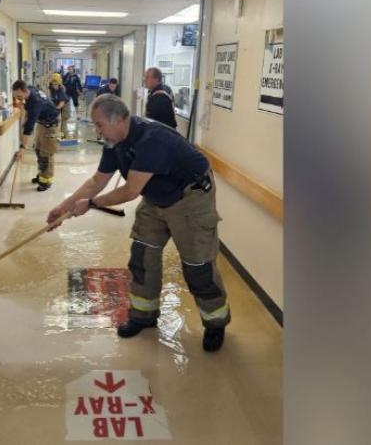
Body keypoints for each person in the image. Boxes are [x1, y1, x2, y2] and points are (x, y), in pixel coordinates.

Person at [46, 95, 230, 352]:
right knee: (142, 256)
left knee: (197, 266)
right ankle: (143, 315)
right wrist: (62, 208)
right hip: (156, 196)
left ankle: (215, 322)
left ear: (120, 120)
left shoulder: (152, 140)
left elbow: (130, 191)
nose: (97, 131)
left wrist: (92, 204)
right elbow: (96, 181)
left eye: (100, 125)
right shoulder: (114, 142)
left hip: (190, 198)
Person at [12, 79, 61, 191]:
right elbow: (27, 111)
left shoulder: (36, 103)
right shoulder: (30, 89)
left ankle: (46, 181)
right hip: (43, 122)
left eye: (20, 96)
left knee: (46, 153)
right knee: (38, 149)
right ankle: (42, 174)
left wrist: (23, 148)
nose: (19, 99)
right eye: (16, 96)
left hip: (52, 124)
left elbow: (29, 129)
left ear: (25, 91)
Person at [48, 73, 70, 138]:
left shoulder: (61, 90)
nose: (54, 86)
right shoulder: (51, 87)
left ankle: (63, 135)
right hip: (57, 102)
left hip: (65, 104)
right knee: (54, 118)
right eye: (53, 84)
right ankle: (54, 132)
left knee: (63, 119)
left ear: (59, 84)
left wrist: (56, 109)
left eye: (56, 84)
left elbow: (62, 103)